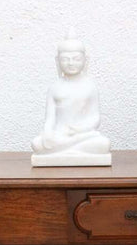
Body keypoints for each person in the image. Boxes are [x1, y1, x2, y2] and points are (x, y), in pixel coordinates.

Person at [31, 30, 111, 165]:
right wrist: (48, 133)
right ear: (57, 61)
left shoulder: (90, 87)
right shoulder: (54, 87)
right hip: (59, 134)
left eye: (76, 59)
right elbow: (50, 119)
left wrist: (79, 129)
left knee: (104, 144)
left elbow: (95, 118)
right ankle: (72, 150)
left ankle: (67, 150)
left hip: (82, 134)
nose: (71, 63)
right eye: (65, 59)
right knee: (37, 144)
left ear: (86, 61)